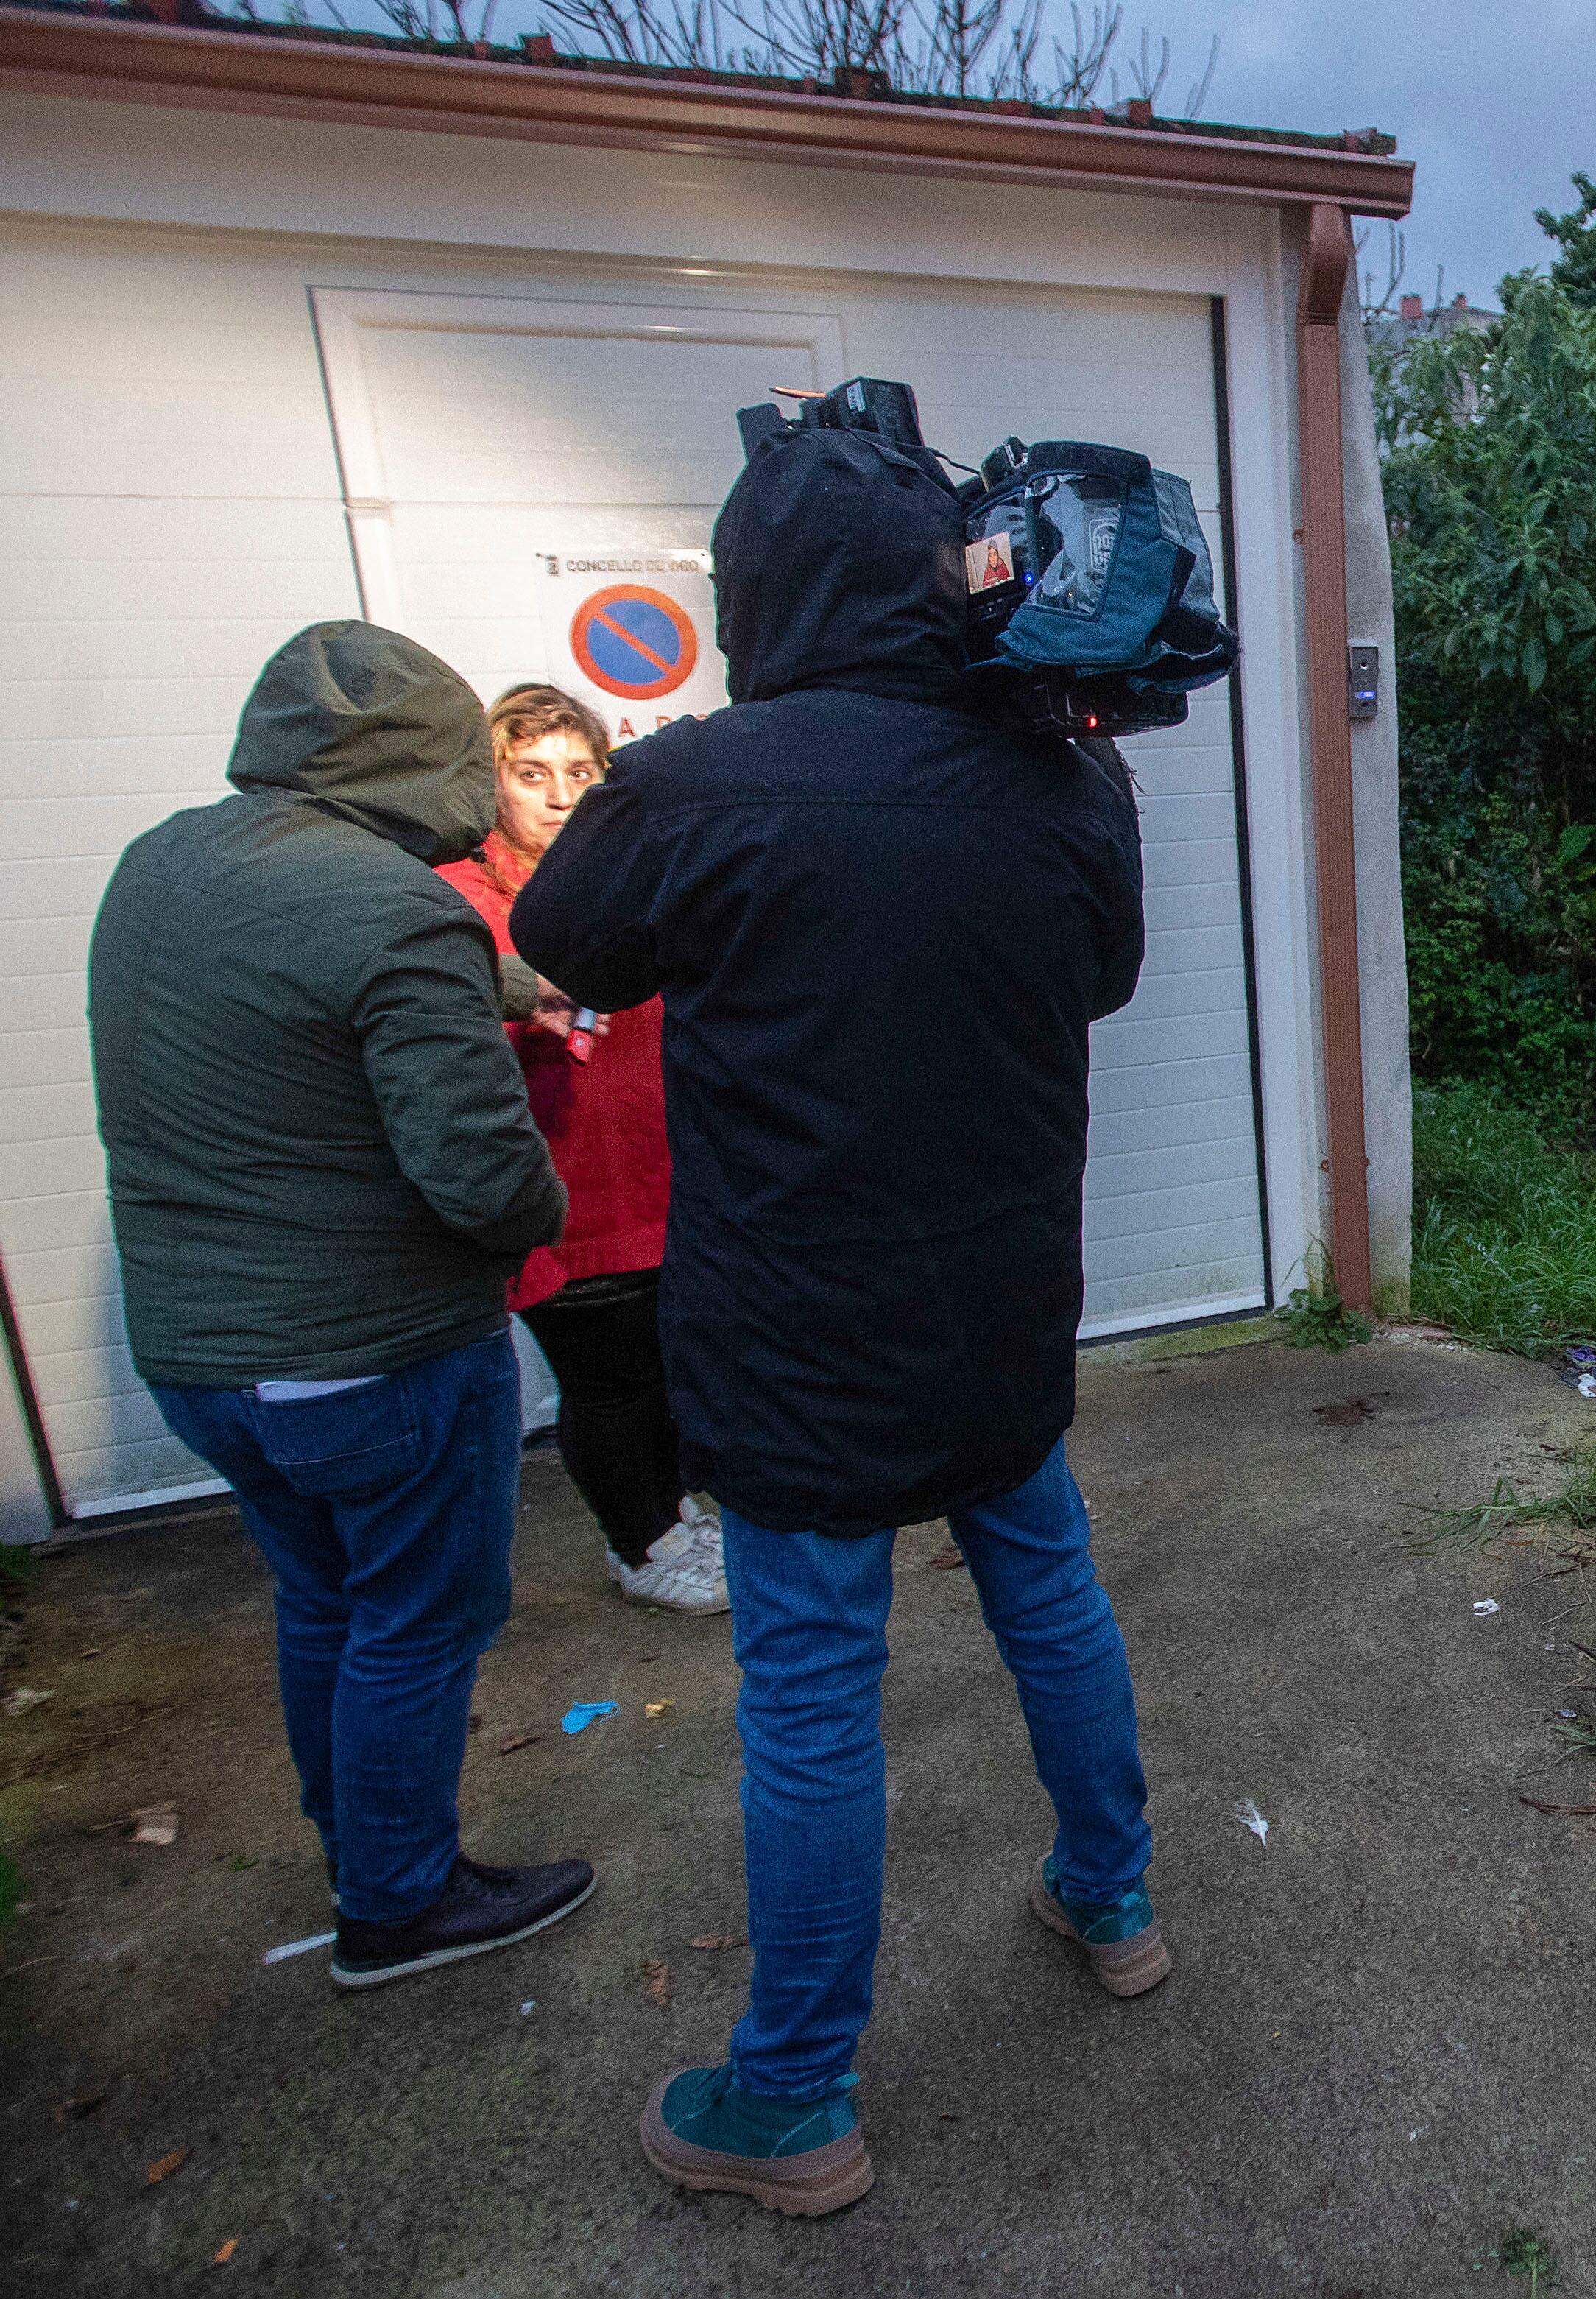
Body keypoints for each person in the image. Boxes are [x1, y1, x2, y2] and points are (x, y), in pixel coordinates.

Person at [513, 425, 1158, 2217]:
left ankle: (792, 2096)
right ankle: (1113, 1898)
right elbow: (1102, 976)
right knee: (1051, 1591)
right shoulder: (1061, 779)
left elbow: (569, 943)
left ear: (758, 592)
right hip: (1002, 1310)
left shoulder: (700, 783)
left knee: (810, 1699)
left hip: (798, 1342)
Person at [86, 622, 595, 1990]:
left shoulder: (165, 861)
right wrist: (563, 1212)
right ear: (436, 767)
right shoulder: (402, 910)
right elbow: (484, 1183)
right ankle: (399, 1900)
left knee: (326, 1606)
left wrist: (510, 981)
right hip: (371, 1360)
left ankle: (358, 1852)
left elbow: (298, 972)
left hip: (203, 1362)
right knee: (419, 1624)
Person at [437, 684, 727, 1616]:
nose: (558, 796)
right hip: (564, 1186)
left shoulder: (628, 875)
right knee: (608, 1382)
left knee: (674, 1366)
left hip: (664, 1173)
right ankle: (637, 1545)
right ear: (493, 782)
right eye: (532, 774)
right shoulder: (459, 900)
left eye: (579, 772)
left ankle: (673, 1515)